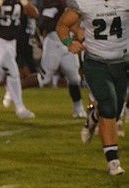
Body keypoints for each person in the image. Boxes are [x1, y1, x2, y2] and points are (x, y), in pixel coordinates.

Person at [58, 0, 129, 175]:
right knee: (108, 106)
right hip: (96, 63)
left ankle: (94, 115)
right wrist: (69, 42)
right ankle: (113, 161)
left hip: (122, 63)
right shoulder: (84, 2)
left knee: (114, 111)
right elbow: (62, 25)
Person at [17, 0, 86, 118]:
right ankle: (14, 89)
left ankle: (78, 108)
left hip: (68, 44)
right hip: (54, 43)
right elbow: (43, 22)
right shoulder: (55, 4)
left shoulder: (75, 4)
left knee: (74, 78)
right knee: (44, 78)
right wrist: (60, 22)